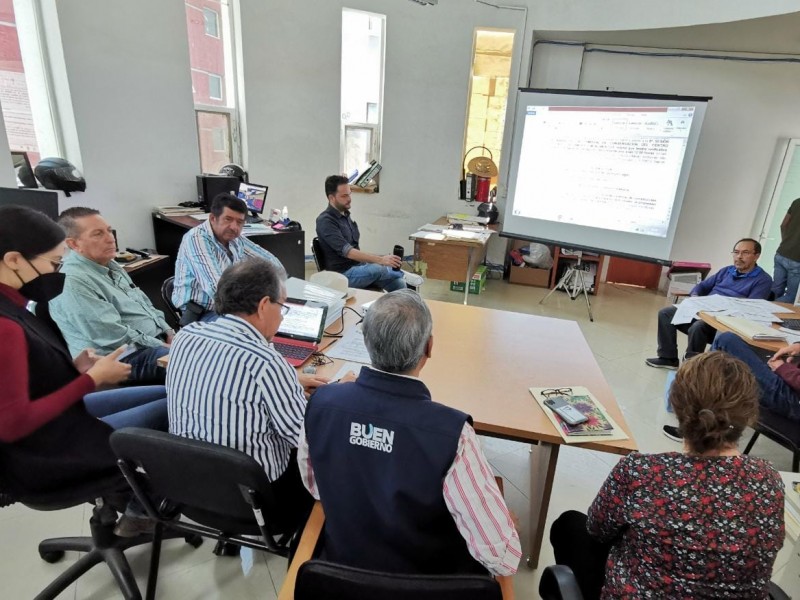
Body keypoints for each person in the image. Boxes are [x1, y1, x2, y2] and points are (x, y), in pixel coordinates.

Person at [298, 290, 520, 590]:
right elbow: (502, 558)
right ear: (429, 346)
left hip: (344, 580)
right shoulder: (453, 433)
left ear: (365, 342)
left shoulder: (321, 404)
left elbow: (315, 487)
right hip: (428, 587)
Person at [550, 352, 785, 600]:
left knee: (570, 525)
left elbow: (596, 530)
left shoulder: (641, 471)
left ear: (676, 406)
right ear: (748, 416)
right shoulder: (769, 479)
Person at [0, 206, 168, 536]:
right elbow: (11, 424)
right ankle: (142, 505)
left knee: (169, 392)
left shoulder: (14, 304)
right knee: (175, 405)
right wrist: (91, 380)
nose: (57, 272)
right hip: (45, 450)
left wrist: (73, 370)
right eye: (52, 264)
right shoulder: (5, 325)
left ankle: (135, 497)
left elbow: (29, 374)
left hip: (62, 416)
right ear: (14, 260)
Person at [167, 258, 325, 533]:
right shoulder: (267, 363)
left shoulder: (185, 336)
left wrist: (288, 382)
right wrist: (335, 397)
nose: (282, 315)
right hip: (256, 503)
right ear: (264, 306)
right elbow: (306, 440)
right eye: (283, 306)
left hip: (190, 489)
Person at [48, 207, 172, 384]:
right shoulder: (72, 281)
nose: (110, 238)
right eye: (98, 234)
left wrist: (169, 331)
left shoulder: (110, 264)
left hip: (151, 344)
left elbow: (144, 304)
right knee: (198, 364)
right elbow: (111, 336)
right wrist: (163, 345)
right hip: (119, 358)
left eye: (109, 230)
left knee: (212, 346)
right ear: (74, 244)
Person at [646, 238, 772, 370]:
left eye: (745, 253)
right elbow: (702, 286)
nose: (739, 257)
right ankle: (668, 358)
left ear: (756, 256)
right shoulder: (726, 271)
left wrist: (717, 310)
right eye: (736, 252)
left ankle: (693, 366)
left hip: (724, 322)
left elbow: (749, 308)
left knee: (698, 327)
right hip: (704, 311)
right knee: (665, 313)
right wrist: (695, 298)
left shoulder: (763, 280)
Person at [172, 192, 284, 325]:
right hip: (202, 314)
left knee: (277, 319)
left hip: (229, 305)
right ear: (213, 218)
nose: (234, 227)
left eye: (239, 222)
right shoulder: (197, 239)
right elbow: (217, 289)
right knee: (260, 325)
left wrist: (279, 293)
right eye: (228, 219)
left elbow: (273, 263)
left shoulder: (235, 239)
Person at [315, 174, 423, 292]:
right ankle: (403, 274)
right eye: (344, 196)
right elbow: (348, 252)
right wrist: (382, 260)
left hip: (358, 268)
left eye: (349, 194)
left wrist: (381, 261)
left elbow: (355, 251)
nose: (349, 198)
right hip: (342, 275)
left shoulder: (345, 215)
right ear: (331, 198)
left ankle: (405, 301)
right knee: (377, 269)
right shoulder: (325, 221)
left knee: (398, 283)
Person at [711, 332, 800, 422]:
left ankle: (704, 407)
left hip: (793, 398)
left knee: (726, 340)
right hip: (793, 378)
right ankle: (708, 408)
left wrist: (783, 368)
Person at [772, 197, 800, 302]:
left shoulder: (797, 201)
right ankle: (771, 314)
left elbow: (783, 225)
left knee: (775, 290)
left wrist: (787, 241)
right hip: (797, 259)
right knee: (792, 297)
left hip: (782, 252)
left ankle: (764, 313)